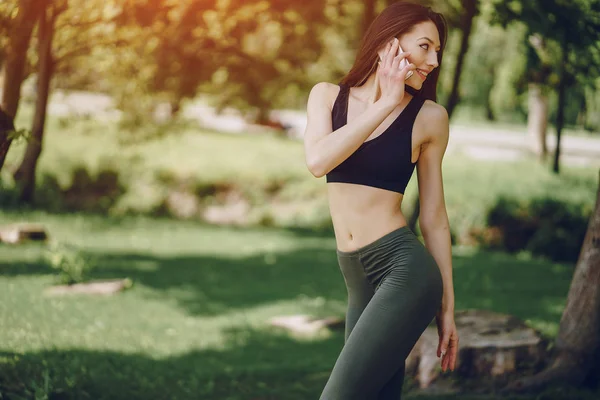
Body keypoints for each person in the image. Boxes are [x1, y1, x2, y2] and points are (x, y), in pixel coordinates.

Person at [302, 2, 459, 399]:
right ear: (390, 42)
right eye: (425, 46)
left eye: (438, 51)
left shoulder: (429, 117)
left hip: (404, 271)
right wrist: (384, 102)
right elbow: (319, 160)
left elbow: (434, 218)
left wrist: (447, 307)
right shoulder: (326, 97)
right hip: (357, 279)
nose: (434, 60)